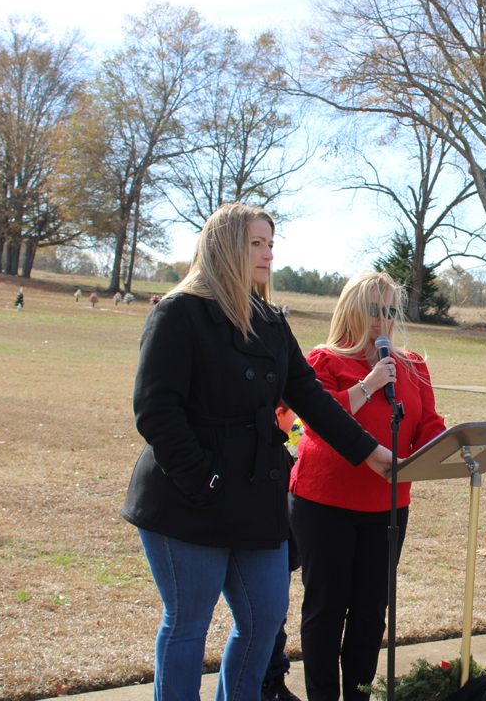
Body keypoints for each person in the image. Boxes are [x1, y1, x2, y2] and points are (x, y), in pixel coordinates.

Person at [122, 203, 392, 701]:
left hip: (255, 495)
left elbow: (309, 395)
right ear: (226, 248)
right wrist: (203, 479)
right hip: (188, 496)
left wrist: (370, 451)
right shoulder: (179, 313)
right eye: (257, 243)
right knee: (188, 622)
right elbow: (156, 412)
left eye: (271, 242)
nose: (269, 253)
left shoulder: (269, 320)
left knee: (264, 618)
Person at [289, 271, 446, 701]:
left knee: (370, 613)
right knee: (326, 610)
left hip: (389, 506)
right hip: (325, 503)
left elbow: (428, 424)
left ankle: (358, 695)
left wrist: (438, 449)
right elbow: (320, 426)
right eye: (374, 310)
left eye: (390, 311)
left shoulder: (413, 365)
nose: (383, 320)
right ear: (353, 312)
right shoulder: (324, 360)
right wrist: (369, 383)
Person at [263, 403, 305, 701]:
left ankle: (272, 678)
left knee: (273, 613)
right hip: (262, 529)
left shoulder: (295, 431)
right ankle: (268, 681)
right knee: (267, 614)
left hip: (280, 531)